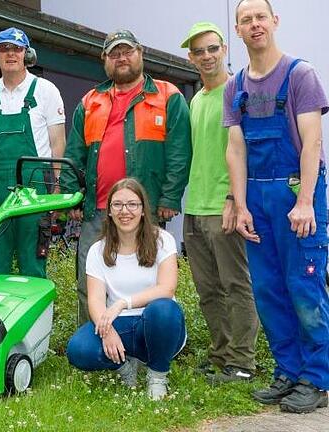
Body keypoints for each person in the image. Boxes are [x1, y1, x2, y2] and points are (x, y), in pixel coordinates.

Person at [225, 0, 329, 413]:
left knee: (304, 287)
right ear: (238, 29)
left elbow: (313, 143)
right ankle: (288, 371)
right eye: (246, 19)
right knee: (268, 290)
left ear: (274, 22)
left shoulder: (300, 74)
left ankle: (317, 378)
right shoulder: (237, 86)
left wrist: (305, 201)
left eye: (260, 17)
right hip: (258, 198)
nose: (254, 25)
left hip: (295, 192)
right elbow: (235, 149)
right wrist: (241, 203)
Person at [63, 29, 191, 327]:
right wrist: (73, 195)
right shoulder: (91, 100)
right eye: (114, 53)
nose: (121, 58)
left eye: (127, 51)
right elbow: (74, 153)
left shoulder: (167, 95)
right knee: (89, 279)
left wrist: (170, 197)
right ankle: (94, 339)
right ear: (104, 60)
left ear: (140, 53)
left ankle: (147, 340)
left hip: (144, 211)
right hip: (99, 210)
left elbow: (179, 152)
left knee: (146, 279)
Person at [180, 22, 258, 383]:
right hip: (195, 207)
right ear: (191, 57)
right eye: (199, 51)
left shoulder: (238, 90)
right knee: (208, 290)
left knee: (236, 285)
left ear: (225, 48)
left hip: (223, 206)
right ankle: (221, 355)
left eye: (213, 48)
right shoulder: (196, 99)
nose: (207, 56)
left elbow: (244, 152)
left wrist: (233, 199)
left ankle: (242, 364)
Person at [66, 178, 186, 401]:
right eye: (118, 205)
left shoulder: (162, 240)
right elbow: (95, 301)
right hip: (118, 324)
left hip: (157, 325)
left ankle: (157, 375)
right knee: (78, 349)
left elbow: (167, 289)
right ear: (109, 211)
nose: (125, 211)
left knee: (163, 309)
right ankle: (124, 368)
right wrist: (106, 330)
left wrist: (123, 303)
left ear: (143, 210)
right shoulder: (97, 250)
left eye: (132, 204)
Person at [0, 27, 66, 279]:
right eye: (5, 48)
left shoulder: (46, 90)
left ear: (27, 54)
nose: (11, 54)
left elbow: (58, 143)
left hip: (35, 187)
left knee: (33, 264)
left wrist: (56, 188)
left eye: (17, 49)